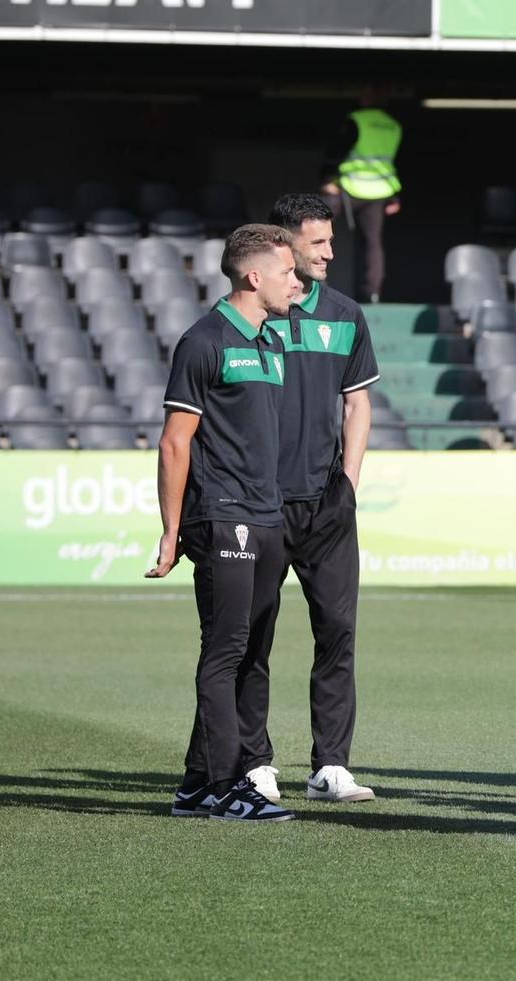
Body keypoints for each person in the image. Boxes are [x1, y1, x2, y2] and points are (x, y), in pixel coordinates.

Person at [147, 224, 304, 823]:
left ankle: (194, 783)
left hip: (268, 516)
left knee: (249, 651)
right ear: (254, 276)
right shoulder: (204, 340)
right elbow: (173, 444)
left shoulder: (273, 340)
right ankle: (224, 785)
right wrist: (170, 530)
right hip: (223, 516)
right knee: (226, 650)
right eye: (289, 272)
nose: (299, 282)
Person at [231, 194, 382, 806]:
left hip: (326, 506)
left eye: (329, 240)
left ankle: (331, 766)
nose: (329, 252)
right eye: (317, 243)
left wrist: (346, 481)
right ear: (283, 245)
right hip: (259, 505)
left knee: (338, 632)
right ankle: (254, 763)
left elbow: (358, 403)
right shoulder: (249, 317)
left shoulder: (346, 314)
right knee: (253, 637)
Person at [322, 90, 402, 303]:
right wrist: (395, 197)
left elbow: (337, 150)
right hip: (380, 190)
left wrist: (329, 178)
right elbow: (391, 161)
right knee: (373, 243)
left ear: (367, 99)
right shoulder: (393, 125)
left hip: (350, 186)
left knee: (317, 226)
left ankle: (317, 280)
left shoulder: (357, 120)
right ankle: (372, 292)